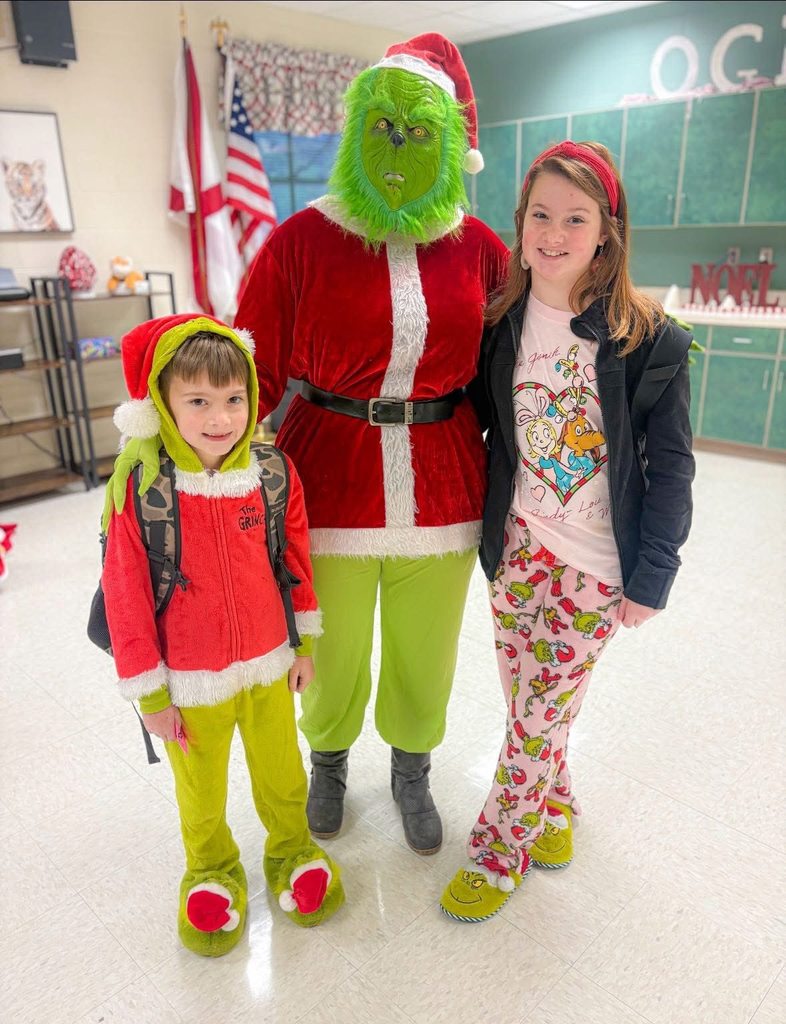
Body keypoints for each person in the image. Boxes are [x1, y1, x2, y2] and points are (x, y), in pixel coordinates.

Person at [231, 33, 508, 855]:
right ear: (357, 131)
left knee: (425, 650)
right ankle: (330, 761)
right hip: (327, 483)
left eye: (418, 132)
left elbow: (514, 367)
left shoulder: (482, 247)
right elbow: (245, 369)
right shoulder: (299, 241)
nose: (398, 148)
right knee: (332, 645)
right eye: (383, 128)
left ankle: (413, 769)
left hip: (445, 486)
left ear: (450, 142)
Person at [439, 141, 695, 922]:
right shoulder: (501, 324)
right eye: (540, 215)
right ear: (520, 225)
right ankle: (554, 810)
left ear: (606, 232)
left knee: (538, 713)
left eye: (574, 218)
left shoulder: (650, 339)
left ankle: (497, 848)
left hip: (596, 565)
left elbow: (675, 469)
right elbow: (487, 432)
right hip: (519, 550)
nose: (554, 232)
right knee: (532, 706)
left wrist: (653, 575)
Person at [101, 314, 345, 956]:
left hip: (268, 663)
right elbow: (126, 595)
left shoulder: (271, 473)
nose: (221, 417)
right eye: (199, 401)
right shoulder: (141, 486)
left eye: (234, 398)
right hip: (187, 681)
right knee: (201, 793)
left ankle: (293, 852)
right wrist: (150, 695)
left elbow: (294, 559)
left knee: (282, 775)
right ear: (161, 404)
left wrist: (304, 645)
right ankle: (210, 872)